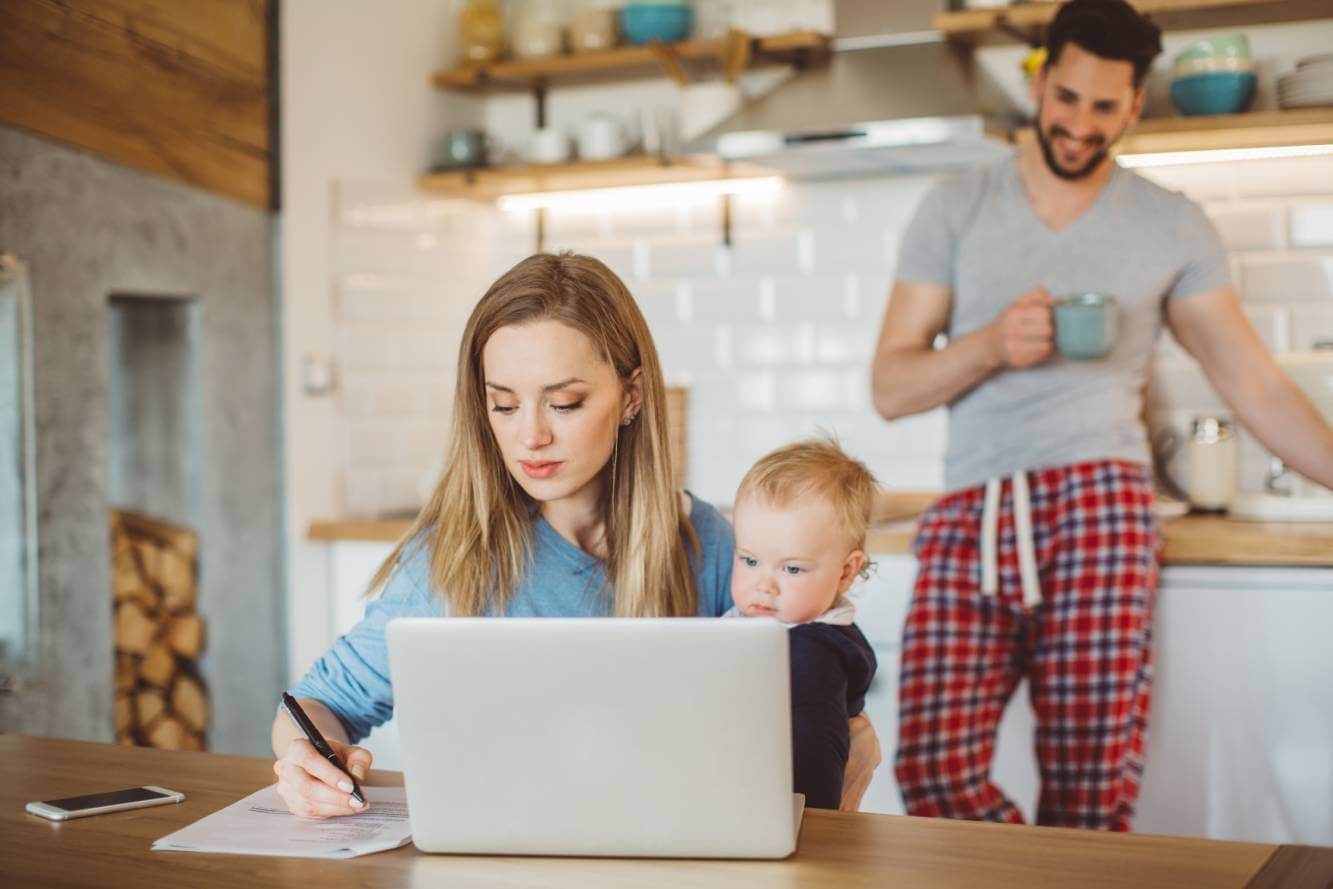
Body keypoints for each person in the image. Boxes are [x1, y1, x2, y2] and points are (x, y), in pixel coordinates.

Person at [871, 0, 1333, 832]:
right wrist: (987, 343)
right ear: (1041, 82)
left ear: (1133, 104)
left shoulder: (1170, 223)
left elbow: (1253, 383)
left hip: (1102, 502)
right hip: (975, 502)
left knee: (1090, 791)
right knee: (931, 770)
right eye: (1067, 98)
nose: (1080, 125)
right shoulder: (957, 205)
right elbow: (891, 387)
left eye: (1103, 106)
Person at [273, 252, 881, 818]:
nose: (529, 436)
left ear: (631, 396)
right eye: (504, 406)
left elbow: (804, 683)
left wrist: (850, 731)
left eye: (563, 404)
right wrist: (308, 759)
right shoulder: (454, 557)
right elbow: (318, 705)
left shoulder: (710, 545)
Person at [725, 438, 878, 810]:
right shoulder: (772, 626)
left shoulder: (813, 651)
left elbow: (816, 754)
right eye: (749, 560)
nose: (765, 584)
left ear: (845, 573)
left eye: (791, 568)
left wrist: (812, 829)